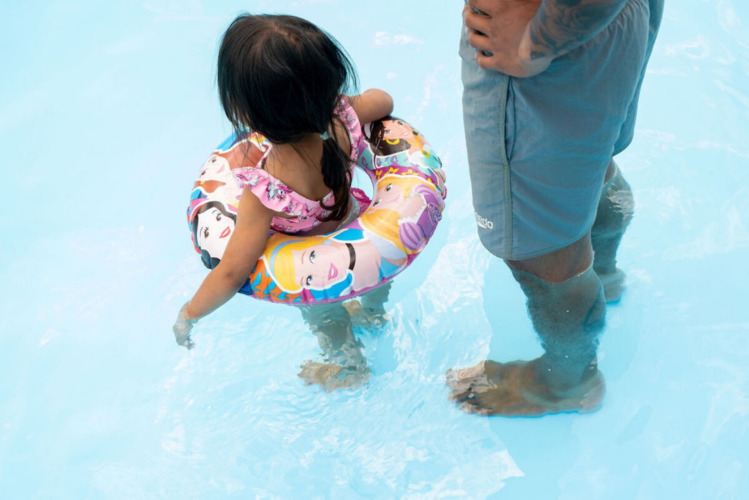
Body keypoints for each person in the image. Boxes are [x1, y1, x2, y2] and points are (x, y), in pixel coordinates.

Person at [447, 0, 664, 416]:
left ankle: (566, 382)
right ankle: (604, 274)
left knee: (536, 246)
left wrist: (536, 43)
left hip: (545, 36)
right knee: (591, 168)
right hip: (611, 21)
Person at [172, 14, 395, 390]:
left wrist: (189, 313)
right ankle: (373, 315)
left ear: (244, 112)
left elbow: (232, 271)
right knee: (373, 287)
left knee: (326, 318)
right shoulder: (344, 120)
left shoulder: (265, 189)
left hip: (318, 271)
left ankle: (349, 371)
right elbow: (384, 100)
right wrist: (339, 103)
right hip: (364, 243)